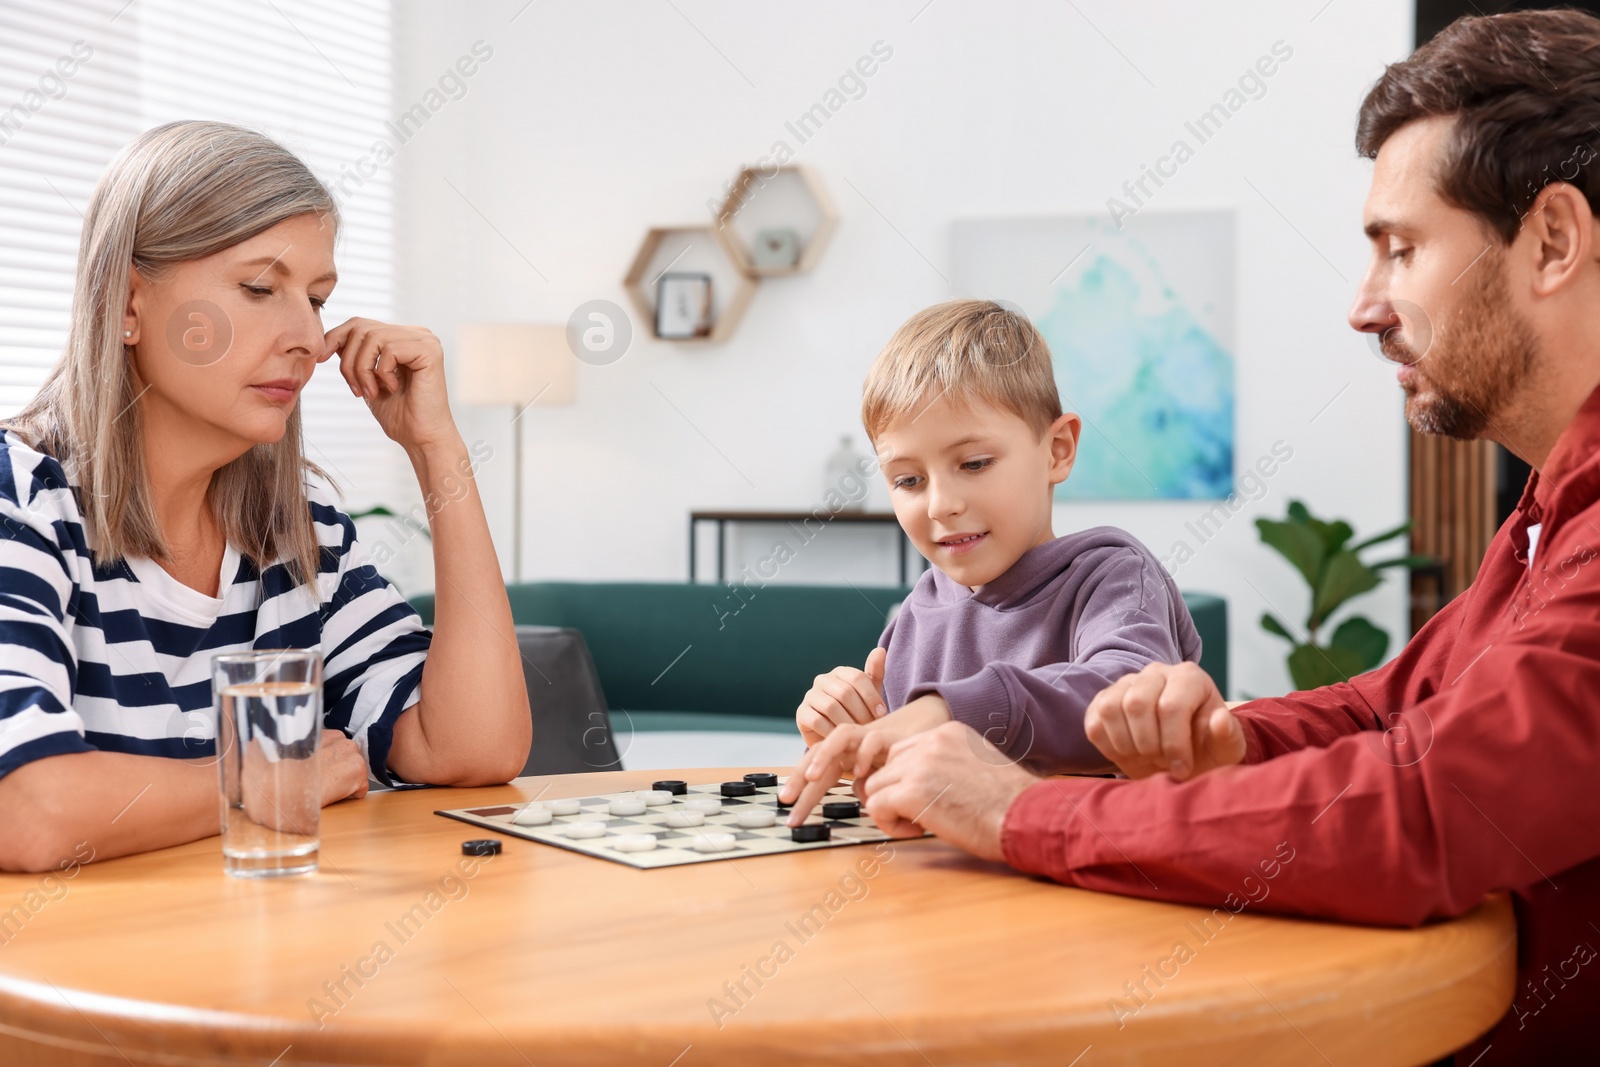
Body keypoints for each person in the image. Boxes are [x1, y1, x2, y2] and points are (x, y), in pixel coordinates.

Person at [858, 10, 1600, 1060]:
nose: (1363, 306)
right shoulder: (1547, 513)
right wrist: (1234, 740)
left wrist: (1021, 814)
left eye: (1400, 249)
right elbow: (1389, 707)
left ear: (1553, 240)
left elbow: (1426, 806)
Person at [0, 121, 531, 872]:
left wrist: (435, 447)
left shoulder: (295, 535)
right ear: (126, 301)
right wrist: (273, 778)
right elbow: (27, 807)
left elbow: (472, 748)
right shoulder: (20, 506)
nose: (310, 340)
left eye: (316, 299)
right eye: (258, 288)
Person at [781, 300, 1202, 822]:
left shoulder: (1113, 577)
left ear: (1058, 450)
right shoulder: (917, 611)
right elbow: (889, 782)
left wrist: (953, 710)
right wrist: (842, 736)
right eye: (908, 480)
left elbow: (1128, 693)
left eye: (974, 463)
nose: (940, 504)